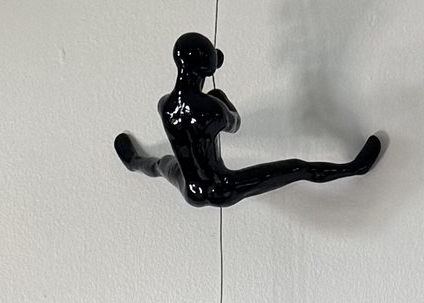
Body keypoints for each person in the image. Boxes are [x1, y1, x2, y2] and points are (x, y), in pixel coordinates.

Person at [115, 32, 384, 206]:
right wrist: (221, 99)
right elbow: (235, 123)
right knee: (298, 168)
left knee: (160, 163)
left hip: (190, 189)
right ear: (208, 67)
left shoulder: (165, 105)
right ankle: (355, 167)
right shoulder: (212, 109)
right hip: (222, 187)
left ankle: (134, 162)